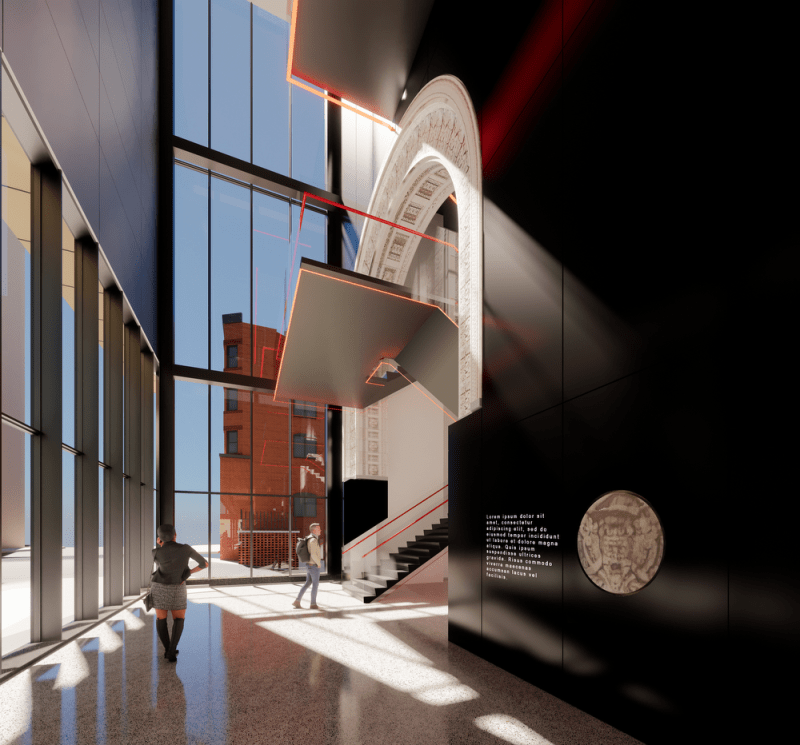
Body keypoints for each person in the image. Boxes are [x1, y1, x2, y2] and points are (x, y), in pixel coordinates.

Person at [151, 524, 208, 662]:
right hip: (178, 586)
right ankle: (171, 651)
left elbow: (163, 563)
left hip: (159, 587)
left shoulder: (156, 552)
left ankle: (167, 649)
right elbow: (204, 563)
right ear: (175, 535)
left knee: (161, 619)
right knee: (179, 619)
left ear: (159, 538)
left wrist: (161, 545)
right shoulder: (185, 548)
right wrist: (186, 574)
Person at [293, 523, 323, 609]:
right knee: (315, 585)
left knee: (308, 583)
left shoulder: (310, 538)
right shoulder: (313, 540)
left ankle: (297, 601)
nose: (320, 530)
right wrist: (319, 563)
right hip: (313, 566)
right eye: (318, 529)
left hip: (310, 565)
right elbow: (313, 554)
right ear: (314, 530)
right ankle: (313, 604)